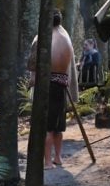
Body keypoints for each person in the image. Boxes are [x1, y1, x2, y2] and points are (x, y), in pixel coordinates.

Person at [27, 9, 78, 169]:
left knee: (48, 126)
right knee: (58, 125)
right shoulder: (66, 37)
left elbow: (33, 63)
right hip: (62, 84)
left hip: (48, 85)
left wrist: (32, 81)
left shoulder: (42, 38)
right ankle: (58, 158)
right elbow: (70, 68)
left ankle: (48, 162)